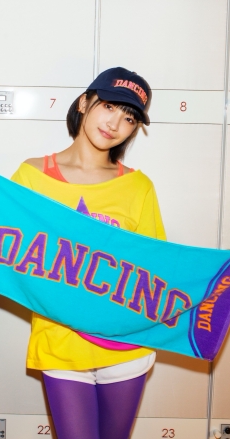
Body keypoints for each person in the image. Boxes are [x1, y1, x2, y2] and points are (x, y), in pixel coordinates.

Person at [11, 67, 163, 439]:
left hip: (127, 344)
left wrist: (218, 269)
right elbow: (4, 252)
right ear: (84, 103)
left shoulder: (138, 186)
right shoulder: (31, 176)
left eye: (129, 118)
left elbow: (158, 267)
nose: (115, 123)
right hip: (61, 342)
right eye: (109, 106)